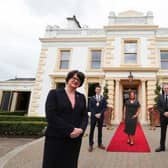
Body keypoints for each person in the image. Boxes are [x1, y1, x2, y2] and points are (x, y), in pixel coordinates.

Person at [42, 70, 88, 168]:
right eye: (73, 78)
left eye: (79, 80)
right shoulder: (54, 93)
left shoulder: (81, 97)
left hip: (74, 140)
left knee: (70, 164)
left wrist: (81, 130)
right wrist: (71, 129)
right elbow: (51, 116)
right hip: (56, 138)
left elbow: (84, 116)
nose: (76, 81)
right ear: (68, 79)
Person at [88, 85, 107, 152]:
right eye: (97, 89)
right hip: (93, 116)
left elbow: (104, 107)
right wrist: (95, 114)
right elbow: (90, 107)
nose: (98, 90)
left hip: (100, 117)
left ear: (100, 90)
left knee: (100, 131)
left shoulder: (103, 98)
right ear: (95, 90)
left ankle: (100, 144)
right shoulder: (92, 98)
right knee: (91, 131)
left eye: (99, 89)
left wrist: (100, 114)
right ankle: (91, 144)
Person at [155, 84, 168, 152]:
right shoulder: (160, 97)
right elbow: (158, 107)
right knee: (163, 132)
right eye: (165, 88)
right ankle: (162, 146)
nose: (166, 89)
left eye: (167, 88)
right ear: (163, 89)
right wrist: (164, 113)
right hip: (163, 117)